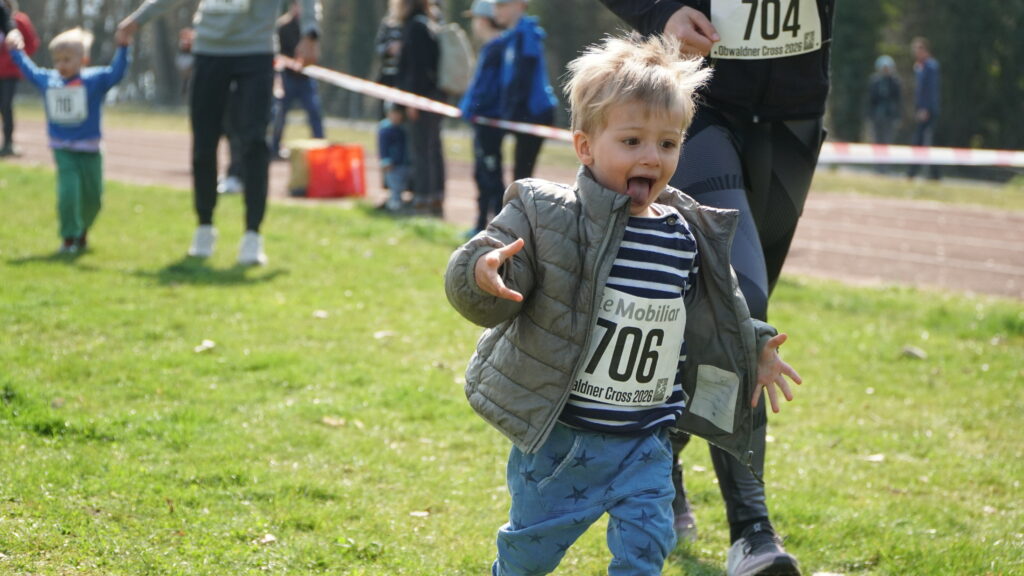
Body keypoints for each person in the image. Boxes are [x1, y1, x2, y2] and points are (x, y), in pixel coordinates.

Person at [445, 34, 801, 576]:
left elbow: (711, 313)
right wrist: (480, 272)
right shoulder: (549, 215)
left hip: (645, 442)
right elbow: (491, 259)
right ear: (586, 147)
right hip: (563, 441)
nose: (652, 158)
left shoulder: (686, 233)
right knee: (529, 554)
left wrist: (753, 346)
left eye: (668, 143)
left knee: (646, 549)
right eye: (632, 141)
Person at [598, 1, 834, 575]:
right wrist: (658, 11)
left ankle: (662, 466)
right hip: (698, 95)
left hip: (794, 103)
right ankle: (751, 532)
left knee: (717, 317)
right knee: (742, 305)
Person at [116, 0, 322, 266]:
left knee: (254, 142)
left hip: (255, 52)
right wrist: (138, 19)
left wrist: (310, 33)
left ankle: (252, 235)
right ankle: (204, 228)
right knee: (204, 142)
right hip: (209, 51)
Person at [4, 26, 129, 253]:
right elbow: (28, 69)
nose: (61, 65)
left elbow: (117, 73)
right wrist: (15, 49)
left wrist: (123, 47)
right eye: (57, 60)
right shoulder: (48, 81)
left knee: (94, 199)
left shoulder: (95, 81)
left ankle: (82, 230)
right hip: (63, 149)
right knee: (68, 194)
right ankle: (68, 237)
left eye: (67, 59)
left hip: (90, 150)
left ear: (84, 60)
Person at [492, 0, 556, 181]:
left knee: (522, 174)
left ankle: (523, 208)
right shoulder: (511, 36)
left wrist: (511, 110)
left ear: (520, 5)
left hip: (534, 111)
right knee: (518, 172)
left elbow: (524, 76)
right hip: (522, 110)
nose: (497, 10)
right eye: (495, 5)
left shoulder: (526, 33)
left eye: (502, 5)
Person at [458, 0, 506, 236]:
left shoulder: (495, 48)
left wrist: (470, 108)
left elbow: (484, 89)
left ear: (484, 20)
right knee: (483, 173)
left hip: (487, 121)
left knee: (489, 175)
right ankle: (481, 224)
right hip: (484, 120)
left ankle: (494, 226)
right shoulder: (494, 47)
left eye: (475, 19)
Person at [396, 0, 445, 217]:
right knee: (432, 148)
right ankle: (435, 198)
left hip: (421, 98)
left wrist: (412, 100)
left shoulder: (415, 27)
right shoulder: (428, 24)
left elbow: (416, 68)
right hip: (434, 96)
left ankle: (422, 201)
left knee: (422, 150)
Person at [269, 0, 325, 161]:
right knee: (280, 113)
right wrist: (290, 63)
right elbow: (277, 53)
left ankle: (320, 147)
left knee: (314, 112)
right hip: (287, 78)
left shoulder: (310, 29)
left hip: (306, 79)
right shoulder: (282, 27)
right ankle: (274, 147)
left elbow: (314, 53)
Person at [0, 0, 38, 158]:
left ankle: (8, 143)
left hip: (10, 72)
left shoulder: (19, 20)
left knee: (6, 105)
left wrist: (18, 59)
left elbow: (32, 43)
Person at [907, 36, 940, 180]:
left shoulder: (931, 66)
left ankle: (927, 173)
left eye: (918, 49)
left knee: (925, 141)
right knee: (920, 140)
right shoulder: (920, 66)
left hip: (928, 110)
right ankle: (916, 172)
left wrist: (925, 108)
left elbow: (930, 89)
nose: (916, 52)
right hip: (922, 108)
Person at [374, 0, 404, 119]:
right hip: (386, 75)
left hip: (403, 77)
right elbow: (378, 46)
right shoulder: (387, 22)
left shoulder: (412, 23)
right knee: (383, 114)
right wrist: (389, 49)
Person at [377, 103, 410, 211]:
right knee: (394, 184)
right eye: (393, 114)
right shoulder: (385, 129)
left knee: (403, 184)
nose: (396, 117)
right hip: (393, 164)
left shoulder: (404, 128)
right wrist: (385, 161)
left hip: (404, 162)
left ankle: (398, 201)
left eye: (398, 114)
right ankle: (394, 203)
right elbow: (383, 148)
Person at [867, 55, 900, 146]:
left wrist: (897, 115)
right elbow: (871, 99)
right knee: (877, 138)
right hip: (877, 113)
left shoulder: (895, 81)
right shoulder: (874, 81)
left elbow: (897, 99)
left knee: (888, 138)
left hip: (890, 114)